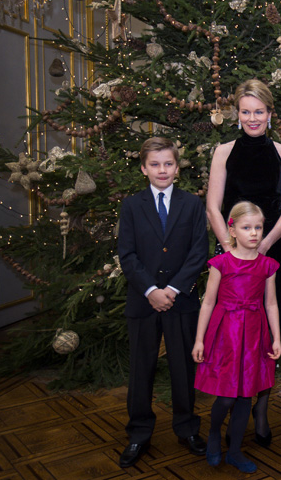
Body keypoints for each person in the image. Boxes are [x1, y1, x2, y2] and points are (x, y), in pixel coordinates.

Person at [206, 79, 281, 445]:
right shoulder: (224, 151)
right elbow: (213, 205)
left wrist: (266, 244)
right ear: (237, 114)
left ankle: (261, 404)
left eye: (259, 111)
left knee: (268, 329)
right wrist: (229, 246)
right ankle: (231, 399)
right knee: (233, 330)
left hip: (272, 249)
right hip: (232, 253)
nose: (252, 118)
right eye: (246, 111)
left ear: (270, 114)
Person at [117, 136, 208, 468]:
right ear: (144, 168)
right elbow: (127, 255)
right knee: (142, 369)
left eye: (168, 163)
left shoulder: (191, 204)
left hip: (180, 301)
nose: (162, 170)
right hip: (143, 302)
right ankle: (139, 432)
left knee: (183, 368)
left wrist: (172, 289)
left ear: (177, 168)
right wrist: (151, 291)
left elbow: (199, 252)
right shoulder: (131, 206)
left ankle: (187, 428)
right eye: (154, 164)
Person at [192, 201, 281, 473]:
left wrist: (276, 338)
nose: (254, 233)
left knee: (246, 395)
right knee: (227, 396)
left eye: (258, 227)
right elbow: (208, 302)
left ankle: (234, 451)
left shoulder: (268, 265)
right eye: (246, 227)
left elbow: (271, 304)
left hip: (254, 335)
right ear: (232, 231)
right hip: (225, 335)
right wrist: (199, 339)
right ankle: (214, 434)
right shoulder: (221, 263)